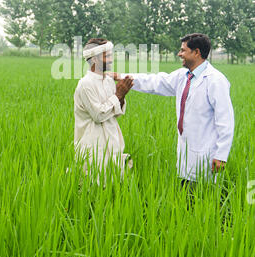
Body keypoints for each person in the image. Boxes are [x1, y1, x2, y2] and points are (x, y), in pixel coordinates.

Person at [117, 33, 235, 183]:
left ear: (196, 52)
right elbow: (155, 81)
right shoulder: (183, 76)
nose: (179, 54)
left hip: (207, 153)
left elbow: (225, 121)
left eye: (183, 50)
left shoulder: (215, 80)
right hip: (187, 151)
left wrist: (221, 155)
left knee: (203, 197)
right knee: (185, 192)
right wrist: (122, 76)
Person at [74, 38, 133, 181]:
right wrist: (118, 94)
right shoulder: (85, 84)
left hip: (112, 139)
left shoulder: (107, 80)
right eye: (107, 56)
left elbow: (116, 112)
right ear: (94, 59)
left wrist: (121, 95)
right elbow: (98, 115)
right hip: (93, 144)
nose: (111, 59)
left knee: (114, 182)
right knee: (94, 182)